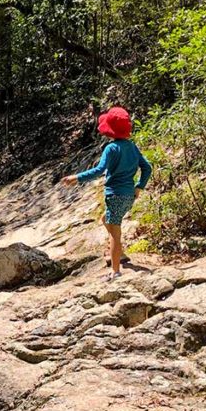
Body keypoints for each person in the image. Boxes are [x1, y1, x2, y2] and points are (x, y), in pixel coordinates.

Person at [62, 106, 152, 280]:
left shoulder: (111, 149)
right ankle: (121, 254)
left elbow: (99, 170)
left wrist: (76, 177)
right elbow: (147, 167)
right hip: (128, 195)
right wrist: (139, 187)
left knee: (114, 233)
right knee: (105, 219)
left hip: (115, 195)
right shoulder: (132, 147)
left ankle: (115, 271)